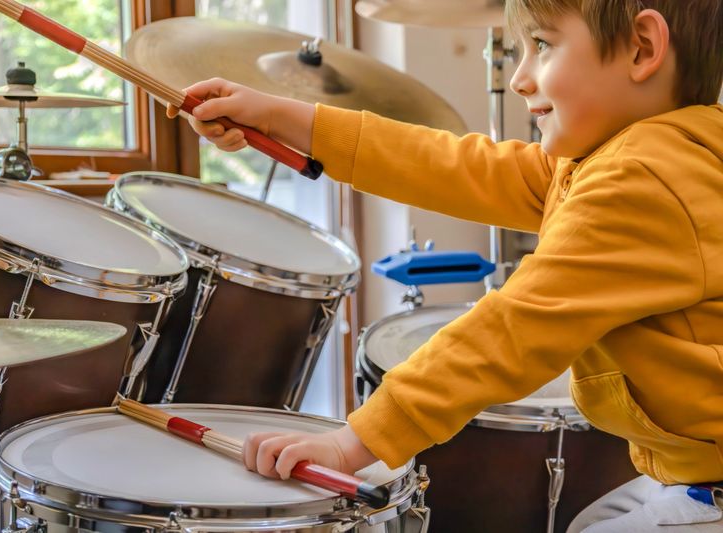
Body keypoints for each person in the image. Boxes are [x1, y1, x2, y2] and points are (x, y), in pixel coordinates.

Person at [168, 1, 723, 530]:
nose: (520, 78)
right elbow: (452, 165)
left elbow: (511, 330)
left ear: (641, 48)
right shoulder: (640, 158)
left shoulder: (642, 182)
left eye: (542, 45)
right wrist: (282, 117)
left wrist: (354, 442)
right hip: (691, 471)